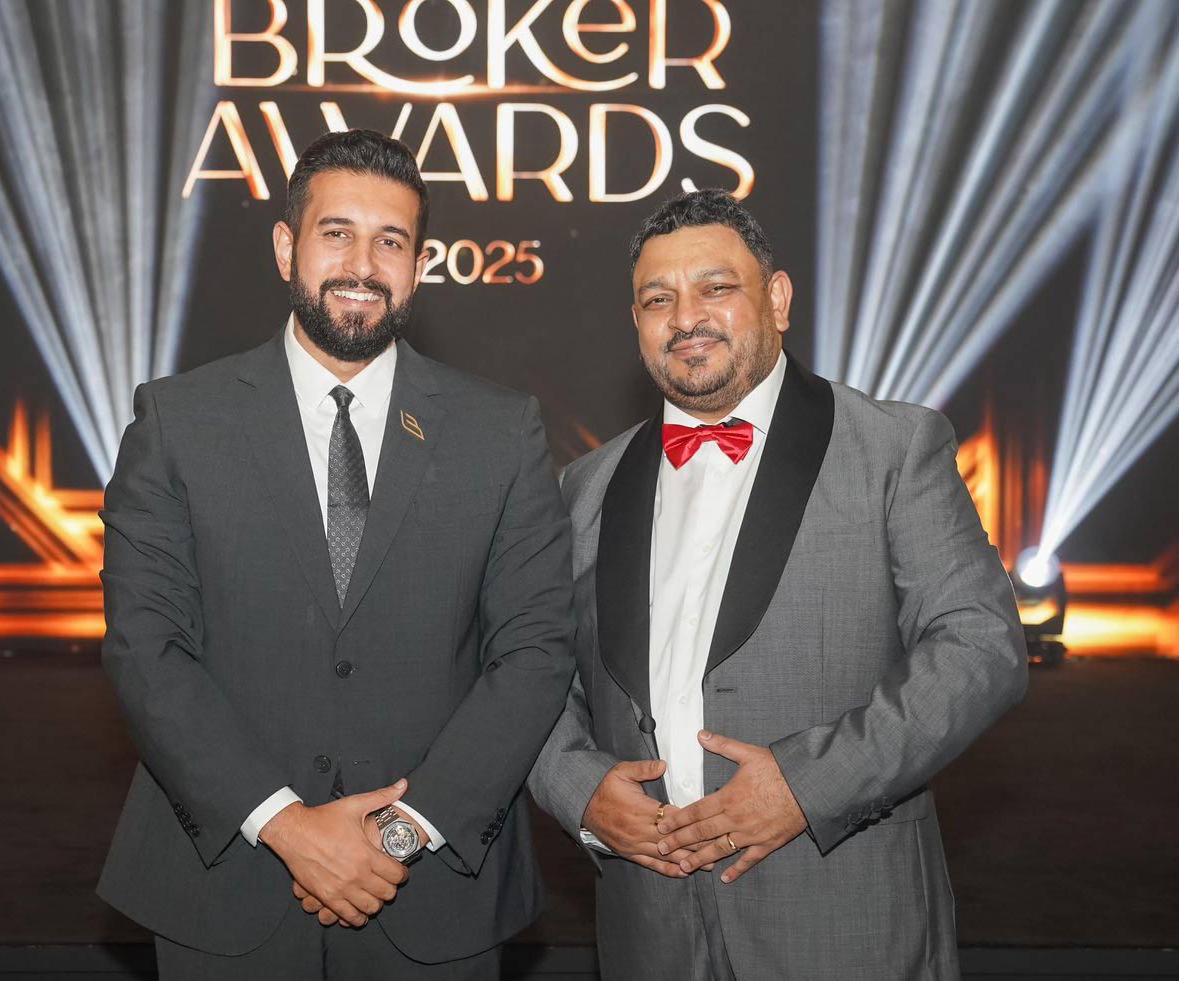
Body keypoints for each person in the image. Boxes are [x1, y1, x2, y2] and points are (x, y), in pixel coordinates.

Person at [97, 129, 574, 980]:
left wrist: (396, 835)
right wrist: (286, 825)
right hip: (224, 888)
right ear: (287, 247)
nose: (362, 263)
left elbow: (535, 651)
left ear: (418, 264)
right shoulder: (179, 420)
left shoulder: (500, 431)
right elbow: (146, 647)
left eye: (390, 241)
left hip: (432, 891)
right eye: (337, 233)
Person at [528, 188, 1027, 980]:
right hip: (648, 933)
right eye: (658, 299)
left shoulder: (892, 448)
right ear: (636, 321)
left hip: (843, 927)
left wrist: (805, 784)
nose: (685, 317)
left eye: (715, 287)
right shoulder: (586, 485)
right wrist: (577, 788)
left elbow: (980, 647)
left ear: (778, 299)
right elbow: (533, 671)